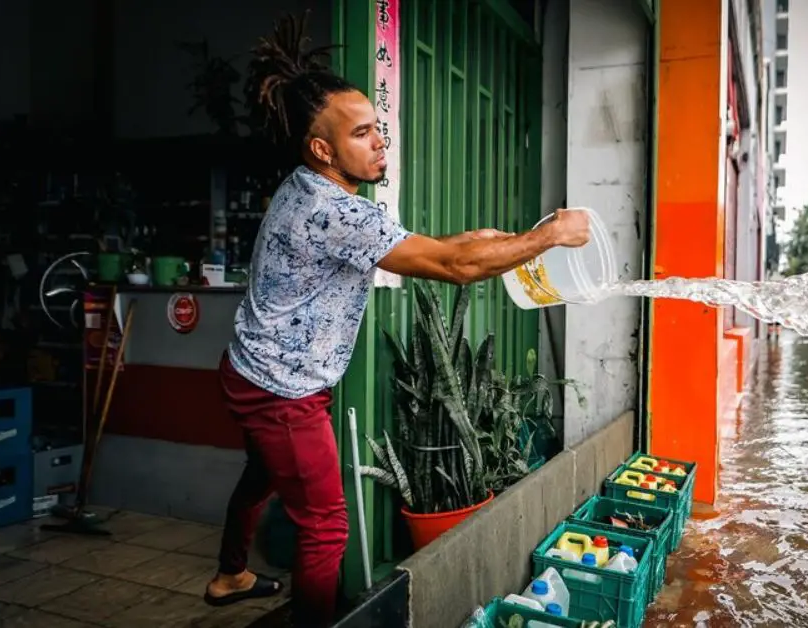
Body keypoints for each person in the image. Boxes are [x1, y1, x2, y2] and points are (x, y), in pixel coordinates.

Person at [200, 59, 591, 627]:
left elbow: (433, 247)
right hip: (282, 390)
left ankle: (229, 574)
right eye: (360, 134)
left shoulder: (306, 187)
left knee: (260, 473)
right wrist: (550, 235)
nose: (379, 142)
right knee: (327, 524)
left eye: (376, 126)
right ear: (323, 150)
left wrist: (504, 241)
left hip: (251, 368)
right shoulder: (331, 210)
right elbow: (451, 265)